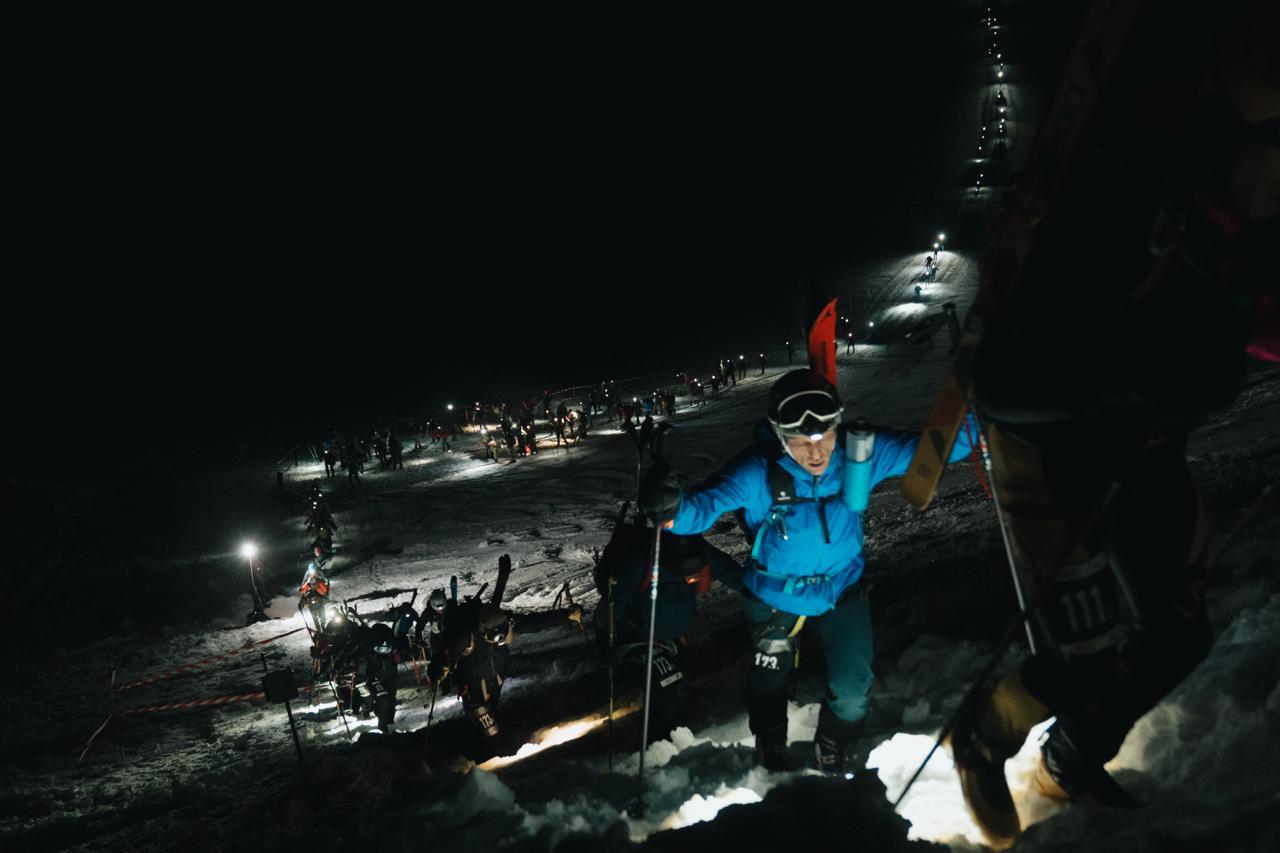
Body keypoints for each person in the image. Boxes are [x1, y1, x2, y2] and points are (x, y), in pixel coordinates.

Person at [945, 4, 1279, 846]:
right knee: (1080, 662)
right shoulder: (1121, 207)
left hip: (1140, 437)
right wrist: (1133, 385)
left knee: (1179, 632)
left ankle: (1072, 759)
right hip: (1051, 444)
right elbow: (1004, 380)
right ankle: (984, 729)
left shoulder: (1244, 225)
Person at [641, 368, 976, 773]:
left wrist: (983, 418)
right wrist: (671, 509)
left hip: (841, 589)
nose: (815, 454)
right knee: (770, 679)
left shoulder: (859, 453)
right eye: (800, 442)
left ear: (838, 424)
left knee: (853, 688)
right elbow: (703, 509)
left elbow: (935, 450)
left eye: (824, 438)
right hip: (774, 595)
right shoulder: (757, 472)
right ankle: (771, 741)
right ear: (781, 436)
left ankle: (834, 743)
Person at [592, 514, 743, 744]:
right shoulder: (649, 558)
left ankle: (660, 739)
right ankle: (657, 741)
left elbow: (732, 573)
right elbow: (615, 602)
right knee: (663, 689)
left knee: (665, 689)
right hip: (643, 634)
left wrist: (765, 593)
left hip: (660, 632)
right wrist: (608, 642)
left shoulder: (687, 551)